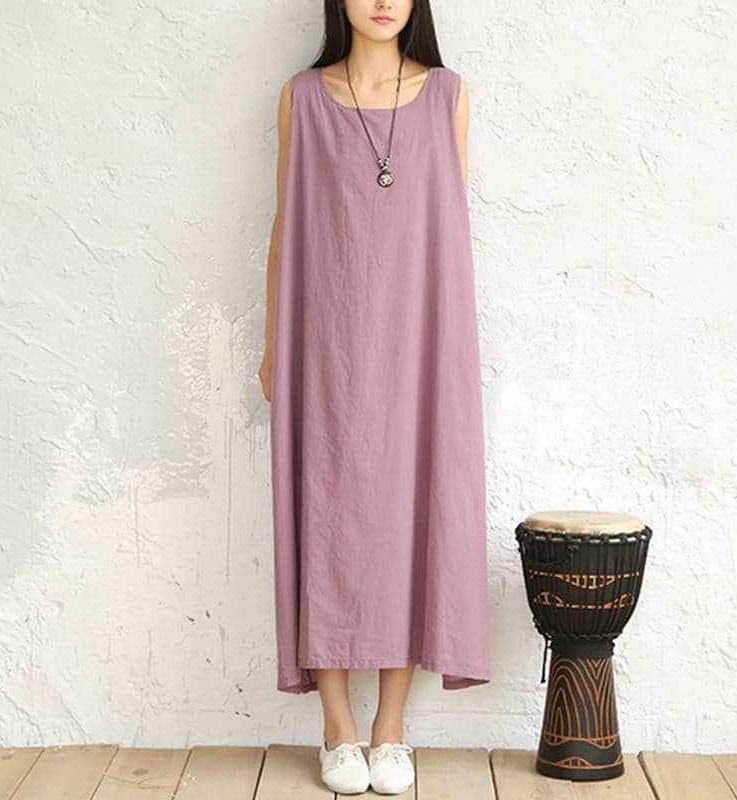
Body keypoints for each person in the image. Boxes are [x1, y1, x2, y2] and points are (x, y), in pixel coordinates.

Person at [258, 0, 490, 794]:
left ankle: (391, 729)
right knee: (325, 511)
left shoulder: (449, 96)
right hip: (323, 341)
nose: (383, 0)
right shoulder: (301, 98)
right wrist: (273, 345)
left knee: (410, 515)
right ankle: (338, 727)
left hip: (422, 344)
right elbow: (286, 226)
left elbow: (443, 232)